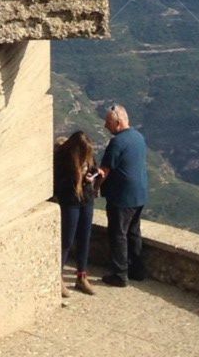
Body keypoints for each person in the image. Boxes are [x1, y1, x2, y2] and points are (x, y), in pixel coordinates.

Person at [97, 104, 148, 287]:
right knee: (134, 232)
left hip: (122, 197)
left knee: (118, 234)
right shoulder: (138, 137)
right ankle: (137, 270)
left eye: (107, 122)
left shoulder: (117, 142)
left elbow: (104, 171)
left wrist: (92, 187)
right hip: (139, 194)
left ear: (117, 123)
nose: (105, 126)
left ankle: (120, 274)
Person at [53, 131, 98, 297]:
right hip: (70, 201)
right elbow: (59, 184)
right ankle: (58, 277)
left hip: (86, 199)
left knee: (84, 238)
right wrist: (77, 178)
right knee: (67, 240)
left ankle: (82, 276)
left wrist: (91, 176)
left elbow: (93, 168)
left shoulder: (89, 157)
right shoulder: (63, 160)